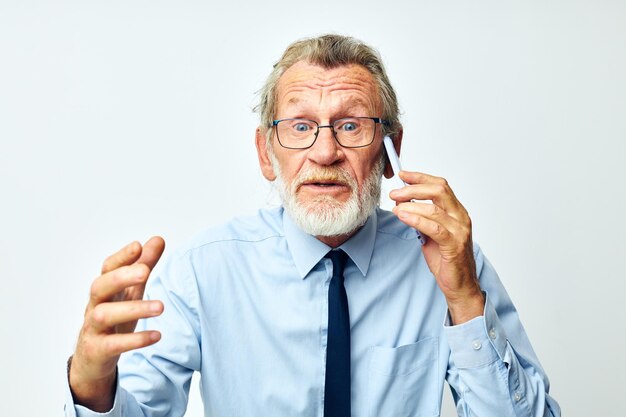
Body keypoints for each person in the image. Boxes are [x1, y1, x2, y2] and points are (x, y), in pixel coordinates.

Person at [65, 34, 561, 417]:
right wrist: (91, 385)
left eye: (351, 125)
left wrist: (465, 304)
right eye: (300, 127)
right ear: (266, 152)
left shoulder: (450, 265)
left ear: (391, 152)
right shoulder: (203, 272)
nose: (325, 153)